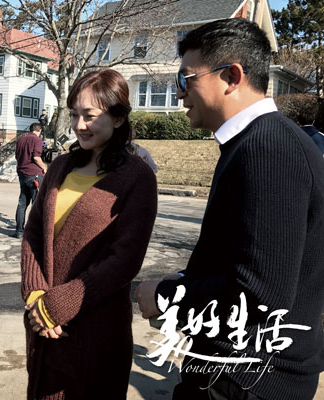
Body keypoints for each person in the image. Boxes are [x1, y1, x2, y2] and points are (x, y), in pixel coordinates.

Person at [135, 18, 324, 400]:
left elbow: (260, 294)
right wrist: (189, 278)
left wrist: (166, 295)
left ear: (231, 77)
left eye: (186, 79)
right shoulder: (256, 142)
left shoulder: (268, 150)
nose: (179, 93)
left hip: (247, 378)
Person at [21, 69, 158, 399]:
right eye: (74, 115)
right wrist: (36, 295)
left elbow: (125, 260)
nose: (79, 125)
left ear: (118, 118)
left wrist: (61, 304)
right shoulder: (60, 167)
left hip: (98, 332)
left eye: (90, 115)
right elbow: (34, 233)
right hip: (45, 325)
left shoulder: (137, 177)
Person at [14, 122, 46, 238]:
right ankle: (34, 231)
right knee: (36, 203)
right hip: (34, 174)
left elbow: (17, 156)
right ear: (39, 130)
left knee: (22, 202)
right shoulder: (37, 140)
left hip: (22, 173)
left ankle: (19, 230)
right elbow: (36, 157)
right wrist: (44, 167)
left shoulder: (21, 139)